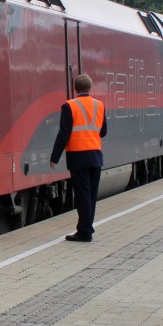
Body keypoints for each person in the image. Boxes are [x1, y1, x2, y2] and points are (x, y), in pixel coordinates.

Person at [50, 74, 107, 242]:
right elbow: (103, 132)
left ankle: (84, 232)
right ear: (90, 87)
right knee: (91, 196)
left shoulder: (69, 106)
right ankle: (87, 228)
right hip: (96, 156)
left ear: (75, 88)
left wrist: (54, 157)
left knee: (82, 195)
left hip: (78, 156)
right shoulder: (99, 105)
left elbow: (63, 133)